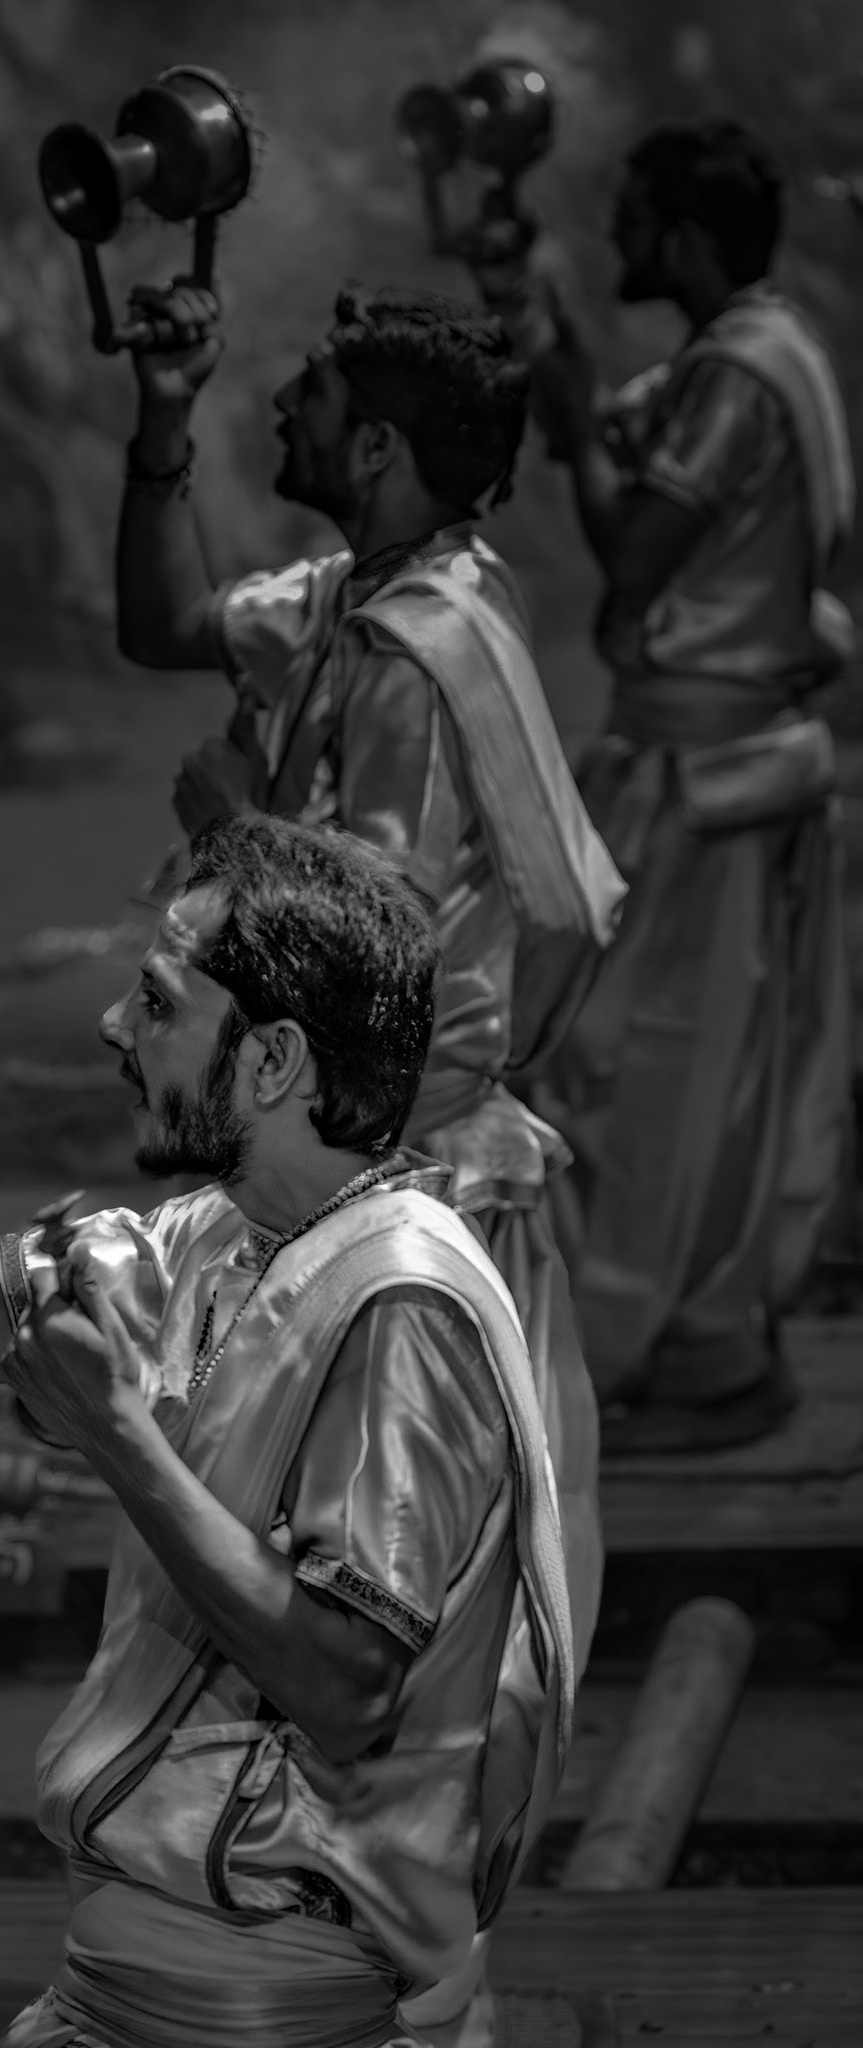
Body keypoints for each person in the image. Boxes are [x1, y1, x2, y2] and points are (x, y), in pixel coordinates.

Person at [0, 814, 574, 2048]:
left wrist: (118, 1435)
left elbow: (347, 1681)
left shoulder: (400, 1296)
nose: (111, 1024)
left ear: (271, 1060)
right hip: (134, 1980)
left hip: (270, 2007)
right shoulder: (210, 1235)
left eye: (157, 1000)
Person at [112, 283, 620, 1661]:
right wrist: (162, 416)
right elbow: (160, 623)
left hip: (398, 1167)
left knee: (382, 1581)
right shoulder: (357, 594)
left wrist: (231, 829)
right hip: (348, 1136)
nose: (281, 407)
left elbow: (373, 930)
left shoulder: (420, 647)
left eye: (314, 397)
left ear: (380, 448)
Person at [509, 120, 855, 1451]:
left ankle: (676, 1358)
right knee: (698, 1069)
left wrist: (574, 418)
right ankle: (691, 1342)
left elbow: (631, 543)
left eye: (636, 220)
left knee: (651, 1074)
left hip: (707, 776)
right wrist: (559, 379)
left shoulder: (739, 375)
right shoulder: (764, 349)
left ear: (691, 241)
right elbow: (606, 429)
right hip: (719, 761)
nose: (618, 241)